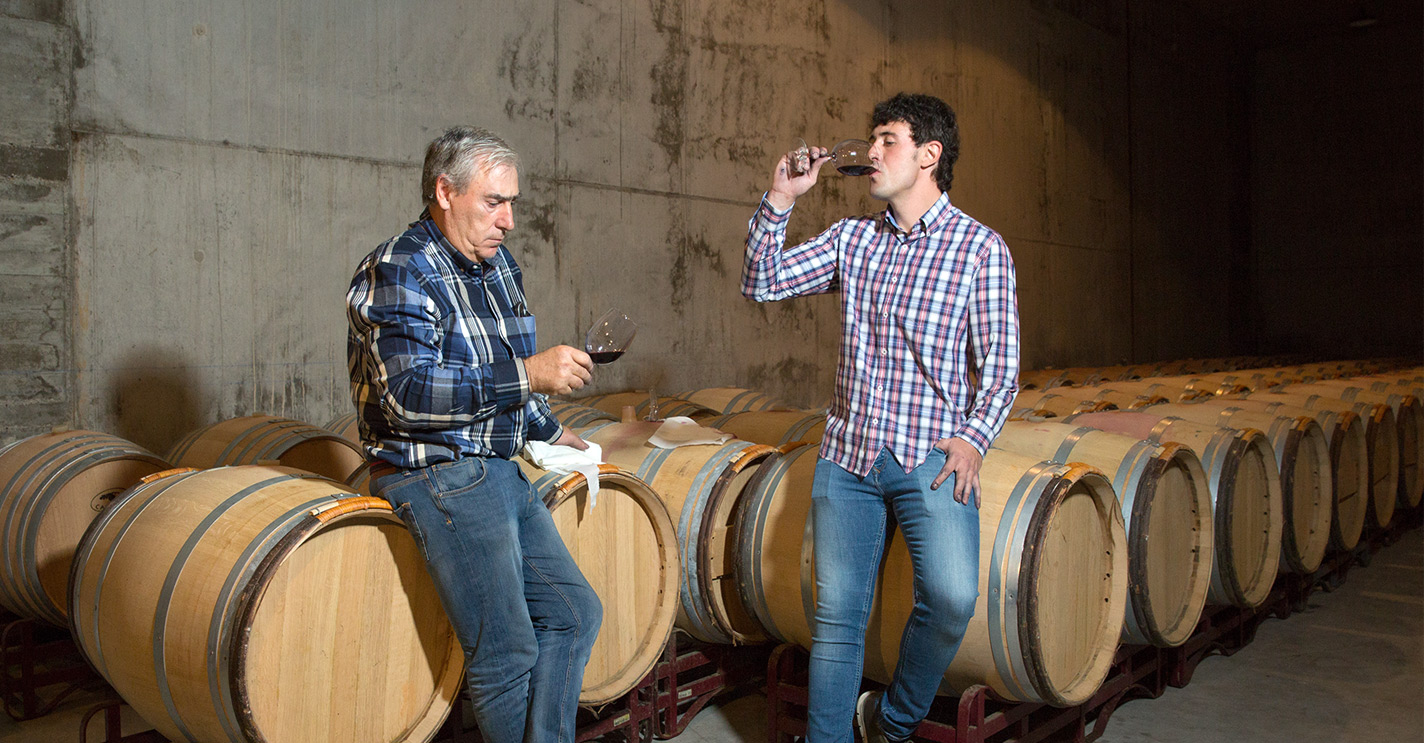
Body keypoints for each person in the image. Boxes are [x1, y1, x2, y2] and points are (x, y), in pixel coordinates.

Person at [741, 93, 1020, 742]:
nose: (871, 152)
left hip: (932, 455)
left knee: (951, 600)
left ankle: (891, 723)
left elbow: (1002, 368)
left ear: (929, 155)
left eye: (887, 140)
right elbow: (764, 281)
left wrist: (975, 438)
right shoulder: (853, 239)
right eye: (872, 140)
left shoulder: (979, 249)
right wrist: (781, 198)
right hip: (849, 455)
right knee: (837, 619)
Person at [346, 125, 602, 743]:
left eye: (512, 202)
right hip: (437, 473)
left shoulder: (496, 265)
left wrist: (550, 424)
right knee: (507, 655)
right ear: (444, 191)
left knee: (574, 614)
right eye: (494, 201)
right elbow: (409, 396)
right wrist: (531, 374)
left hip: (495, 468)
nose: (509, 219)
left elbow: (508, 376)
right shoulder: (399, 268)